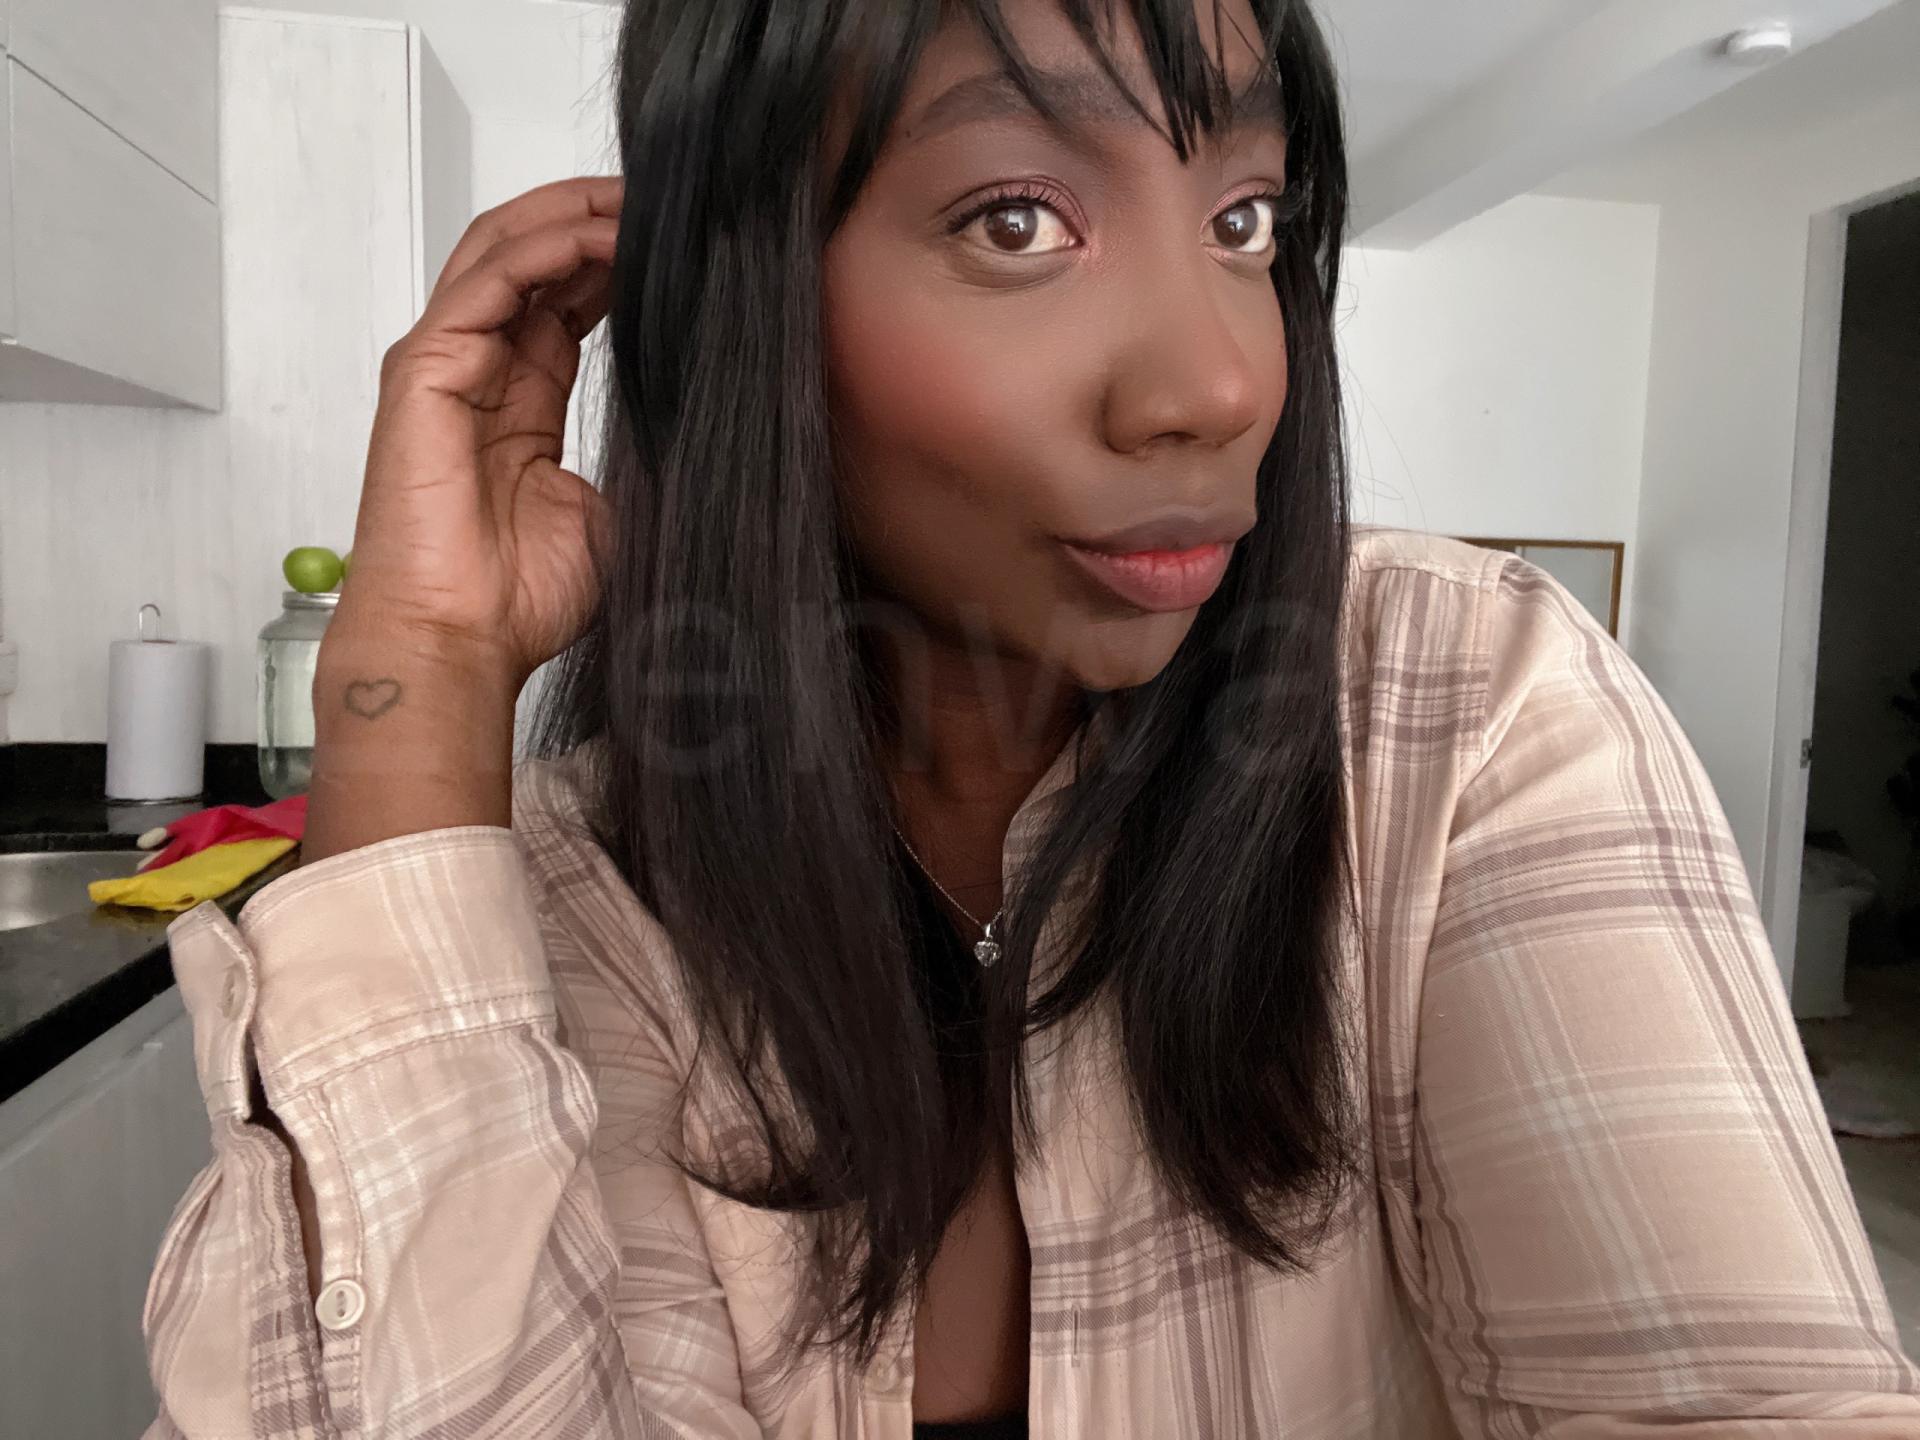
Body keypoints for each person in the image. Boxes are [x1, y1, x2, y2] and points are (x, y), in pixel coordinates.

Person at [143, 0, 1920, 1436]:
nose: (1218, 382)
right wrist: (414, 679)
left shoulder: (1461, 714)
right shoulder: (574, 896)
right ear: (751, 308)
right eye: (1019, 220)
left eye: (1246, 219)